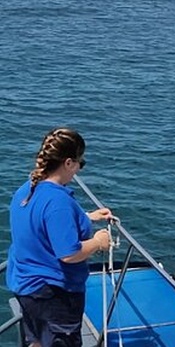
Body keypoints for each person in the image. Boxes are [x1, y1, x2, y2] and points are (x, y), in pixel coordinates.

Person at [6, 127, 113, 347]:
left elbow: (44, 223)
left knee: (35, 341)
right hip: (54, 296)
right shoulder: (58, 202)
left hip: (26, 287)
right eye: (79, 163)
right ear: (67, 163)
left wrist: (86, 217)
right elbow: (69, 253)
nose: (78, 170)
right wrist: (98, 243)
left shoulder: (26, 190)